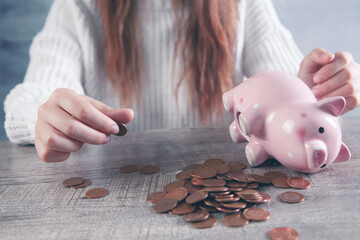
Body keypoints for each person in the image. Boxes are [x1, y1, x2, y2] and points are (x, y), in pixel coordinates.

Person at [4, 0, 360, 163]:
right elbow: (32, 94)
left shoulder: (243, 5)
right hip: (113, 187)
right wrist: (43, 112)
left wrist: (314, 91)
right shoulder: (78, 7)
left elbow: (288, 87)